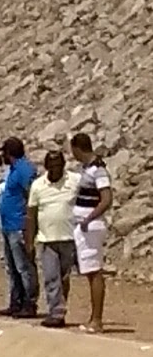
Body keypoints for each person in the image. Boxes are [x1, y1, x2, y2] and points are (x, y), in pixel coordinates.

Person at [29, 143, 79, 323]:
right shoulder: (37, 186)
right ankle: (56, 312)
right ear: (46, 166)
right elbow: (32, 214)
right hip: (46, 238)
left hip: (68, 237)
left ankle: (60, 308)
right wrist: (29, 241)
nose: (55, 169)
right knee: (51, 276)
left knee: (64, 277)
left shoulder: (75, 181)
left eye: (58, 165)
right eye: (52, 165)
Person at [70, 126, 113, 331]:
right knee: (88, 271)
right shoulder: (87, 169)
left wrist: (89, 218)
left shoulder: (98, 170)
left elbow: (106, 199)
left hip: (91, 226)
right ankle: (93, 318)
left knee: (94, 271)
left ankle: (97, 320)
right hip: (84, 225)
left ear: (78, 149)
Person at [0, 136, 38, 316]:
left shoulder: (24, 170)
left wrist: (29, 223)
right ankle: (16, 301)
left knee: (24, 266)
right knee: (12, 268)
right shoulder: (13, 169)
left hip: (19, 224)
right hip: (8, 225)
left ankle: (29, 302)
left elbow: (31, 195)